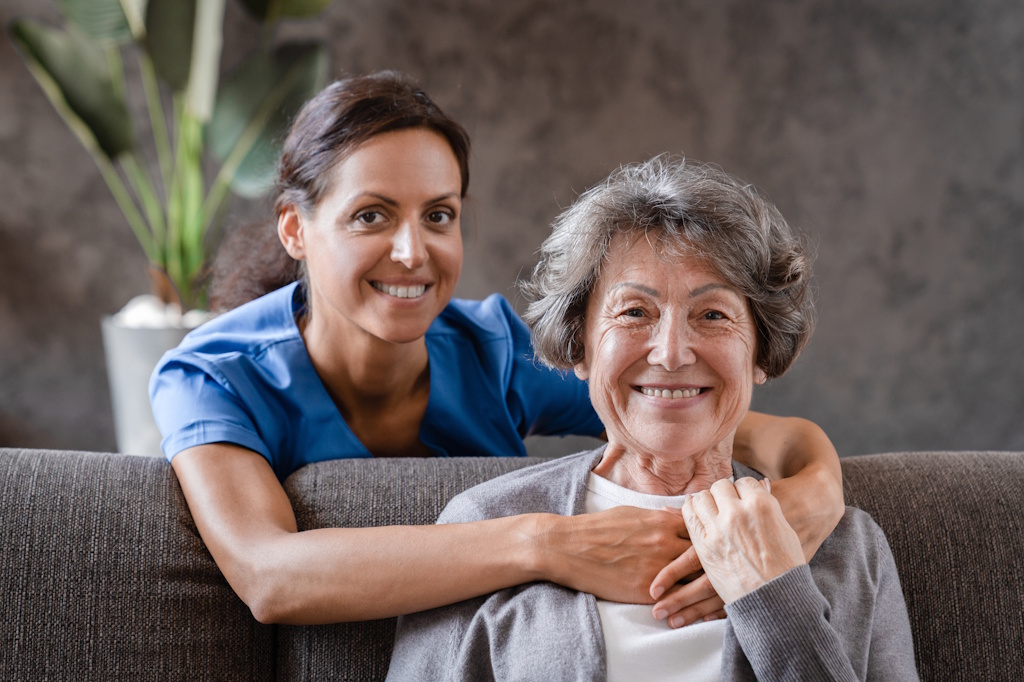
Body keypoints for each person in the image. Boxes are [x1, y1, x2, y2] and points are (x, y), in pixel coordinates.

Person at [150, 71, 845, 626]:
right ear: (295, 229)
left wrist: (814, 494)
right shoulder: (212, 376)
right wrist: (548, 543)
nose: (411, 251)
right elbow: (270, 576)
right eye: (371, 215)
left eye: (439, 215)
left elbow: (727, 418)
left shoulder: (492, 351)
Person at [387, 156, 918, 680]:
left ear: (761, 352)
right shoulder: (482, 526)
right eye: (634, 312)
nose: (670, 353)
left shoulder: (849, 549)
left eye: (712, 315)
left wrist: (775, 598)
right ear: (580, 346)